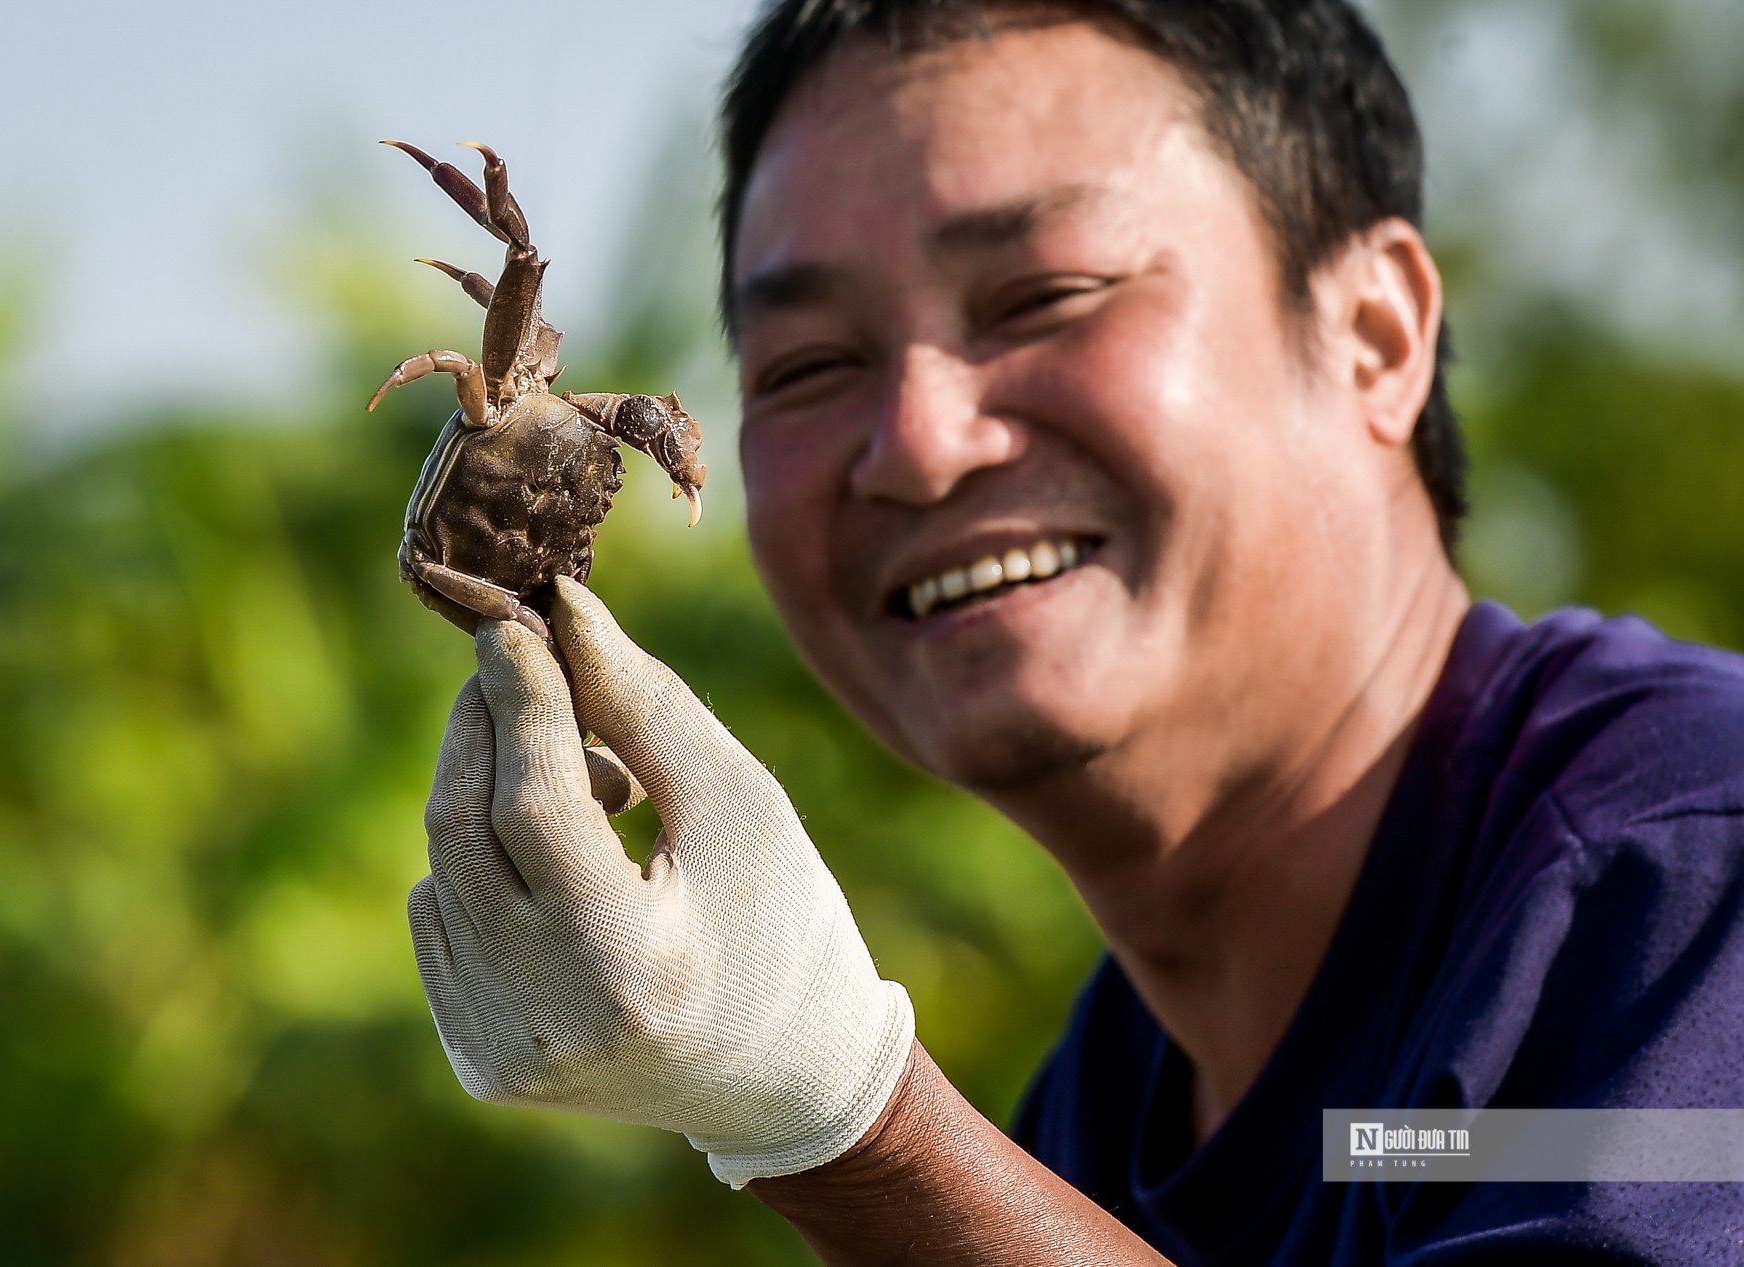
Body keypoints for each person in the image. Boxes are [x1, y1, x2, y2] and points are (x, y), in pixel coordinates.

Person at [403, 1, 1744, 1262]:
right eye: (808, 368)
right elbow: (1401, 1155)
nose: (920, 447)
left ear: (1375, 336)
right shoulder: (1098, 1118)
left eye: (1043, 297)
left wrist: (846, 1133)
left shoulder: (1681, 886)